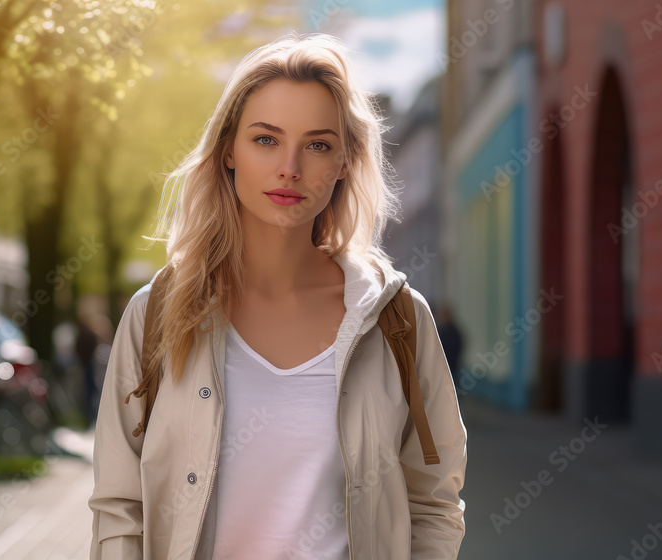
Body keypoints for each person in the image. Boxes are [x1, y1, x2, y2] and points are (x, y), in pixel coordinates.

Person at [89, 31, 467, 560]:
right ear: (228, 153)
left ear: (344, 163)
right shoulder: (156, 314)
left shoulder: (398, 320)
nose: (290, 166)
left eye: (317, 145)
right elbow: (118, 506)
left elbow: (433, 503)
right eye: (265, 139)